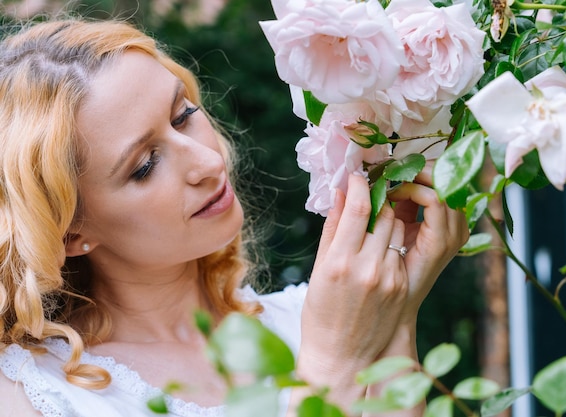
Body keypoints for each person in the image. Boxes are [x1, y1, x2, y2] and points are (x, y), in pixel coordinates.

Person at [0, 17, 468, 417]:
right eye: (144, 165)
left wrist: (397, 310)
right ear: (69, 234)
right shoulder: (35, 394)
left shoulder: (317, 315)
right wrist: (332, 360)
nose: (207, 162)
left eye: (183, 114)